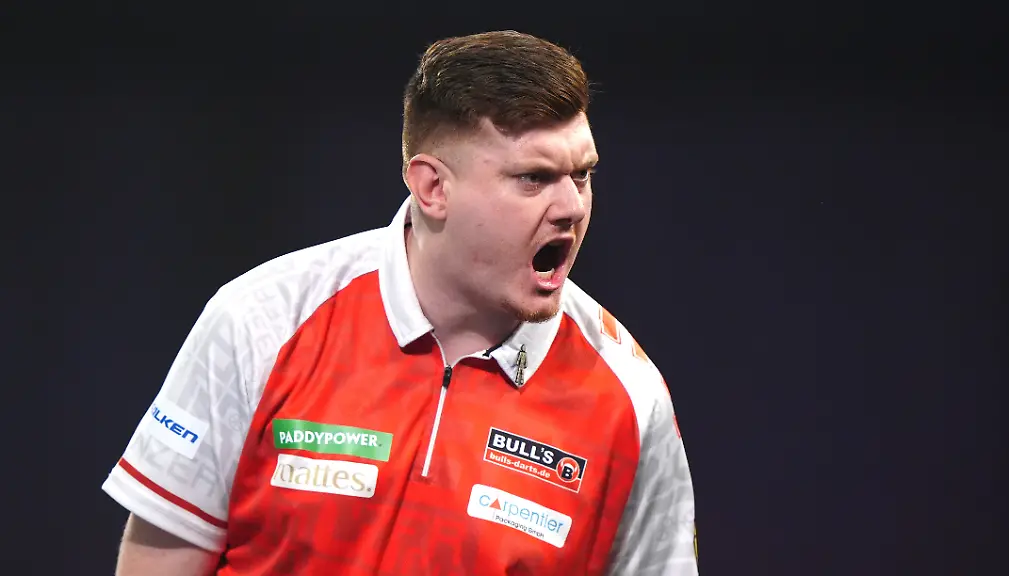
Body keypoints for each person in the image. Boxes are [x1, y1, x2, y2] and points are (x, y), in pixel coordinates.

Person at [103, 30, 698, 575]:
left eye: (582, 175)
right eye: (533, 179)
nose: (571, 207)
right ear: (432, 187)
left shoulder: (629, 398)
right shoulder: (262, 320)